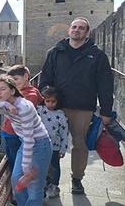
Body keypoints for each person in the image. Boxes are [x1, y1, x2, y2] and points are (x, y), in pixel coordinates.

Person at [39, 17, 114, 194]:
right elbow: (46, 77)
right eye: (74, 27)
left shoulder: (97, 56)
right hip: (56, 107)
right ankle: (50, 180)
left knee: (80, 144)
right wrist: (45, 97)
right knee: (50, 143)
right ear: (69, 30)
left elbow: (105, 85)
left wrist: (105, 111)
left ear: (87, 32)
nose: (76, 30)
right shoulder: (55, 52)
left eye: (81, 28)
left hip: (83, 108)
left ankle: (77, 178)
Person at [0, 75, 52, 206]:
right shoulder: (5, 101)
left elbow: (30, 139)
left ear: (12, 91)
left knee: (34, 188)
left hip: (40, 144)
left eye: (3, 89)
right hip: (25, 142)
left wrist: (26, 168)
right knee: (16, 179)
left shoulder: (24, 107)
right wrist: (4, 103)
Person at [3, 65, 44, 172]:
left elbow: (22, 110)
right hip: (8, 131)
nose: (13, 83)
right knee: (11, 160)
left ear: (26, 77)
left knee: (16, 163)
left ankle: (17, 186)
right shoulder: (28, 91)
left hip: (16, 134)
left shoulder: (30, 94)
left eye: (16, 79)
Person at [37, 86, 68, 198]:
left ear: (57, 101)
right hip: (40, 144)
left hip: (55, 146)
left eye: (53, 101)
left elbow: (64, 133)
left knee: (55, 166)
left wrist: (63, 148)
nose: (50, 104)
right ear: (44, 100)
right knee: (41, 165)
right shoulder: (40, 110)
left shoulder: (61, 115)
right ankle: (43, 184)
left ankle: (54, 186)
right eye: (47, 101)